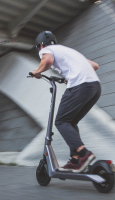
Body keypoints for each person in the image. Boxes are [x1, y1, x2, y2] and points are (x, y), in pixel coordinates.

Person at [30, 31, 101, 173]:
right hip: (95, 87)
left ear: (40, 45)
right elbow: (94, 65)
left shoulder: (47, 50)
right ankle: (75, 160)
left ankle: (83, 153)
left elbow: (47, 61)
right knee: (71, 122)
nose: (40, 51)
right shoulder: (68, 51)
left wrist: (37, 72)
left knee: (61, 121)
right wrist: (69, 76)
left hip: (80, 86)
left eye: (39, 48)